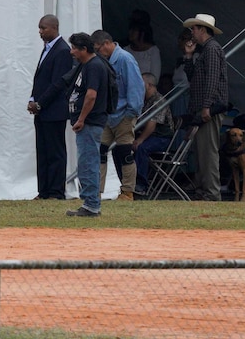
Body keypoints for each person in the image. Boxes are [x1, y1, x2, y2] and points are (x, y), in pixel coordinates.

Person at [91, 30, 144, 201]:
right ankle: (96, 191)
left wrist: (131, 113)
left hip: (124, 114)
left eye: (99, 48)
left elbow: (136, 87)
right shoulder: (103, 60)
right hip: (108, 114)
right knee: (100, 151)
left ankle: (128, 191)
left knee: (125, 153)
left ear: (107, 43)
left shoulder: (125, 59)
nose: (98, 52)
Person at [27, 15, 74, 200]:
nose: (40, 31)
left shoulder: (62, 50)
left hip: (54, 111)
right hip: (42, 111)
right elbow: (40, 78)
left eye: (43, 28)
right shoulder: (47, 49)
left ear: (54, 27)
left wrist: (40, 103)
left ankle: (56, 191)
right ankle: (44, 190)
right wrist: (32, 98)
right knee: (43, 151)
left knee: (55, 152)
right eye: (39, 28)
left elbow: (58, 83)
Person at [182, 13, 228, 201]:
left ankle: (211, 193)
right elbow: (194, 78)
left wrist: (206, 106)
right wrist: (188, 56)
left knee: (207, 153)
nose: (192, 31)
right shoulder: (206, 50)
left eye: (194, 28)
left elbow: (211, 80)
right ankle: (205, 191)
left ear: (202, 29)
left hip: (208, 108)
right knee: (201, 152)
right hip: (203, 107)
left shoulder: (212, 49)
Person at [64, 32, 110, 218]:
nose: (72, 51)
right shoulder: (89, 65)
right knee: (86, 162)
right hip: (89, 123)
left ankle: (91, 205)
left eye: (75, 48)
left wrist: (81, 118)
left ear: (84, 49)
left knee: (88, 162)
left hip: (90, 123)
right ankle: (90, 202)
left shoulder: (94, 66)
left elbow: (91, 95)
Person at [132, 73, 175, 195]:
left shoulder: (159, 101)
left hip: (161, 137)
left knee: (141, 148)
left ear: (149, 85)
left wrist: (140, 139)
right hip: (150, 135)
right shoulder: (145, 100)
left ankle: (141, 185)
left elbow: (152, 125)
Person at [170, 28, 194, 117]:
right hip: (176, 94)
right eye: (180, 38)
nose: (180, 41)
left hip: (185, 95)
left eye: (183, 38)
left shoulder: (195, 58)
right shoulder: (181, 58)